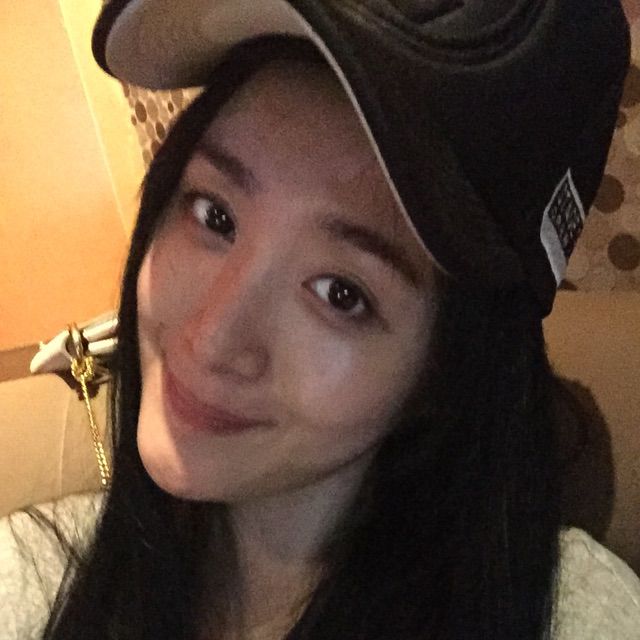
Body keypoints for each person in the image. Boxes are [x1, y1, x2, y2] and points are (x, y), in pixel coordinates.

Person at [1, 1, 639, 639]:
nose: (211, 338)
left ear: (447, 368)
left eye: (341, 293)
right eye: (215, 215)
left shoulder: (572, 618)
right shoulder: (32, 580)